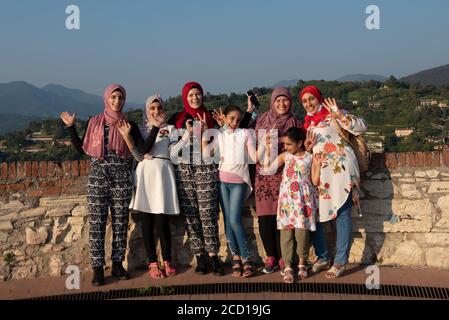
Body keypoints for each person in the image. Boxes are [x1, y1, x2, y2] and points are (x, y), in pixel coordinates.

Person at [60, 84, 149, 286]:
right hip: (97, 179)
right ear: (107, 98)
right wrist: (71, 127)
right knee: (97, 225)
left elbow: (139, 156)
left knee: (120, 224)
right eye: (114, 97)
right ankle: (98, 269)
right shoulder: (94, 122)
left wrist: (127, 138)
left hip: (121, 178)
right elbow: (81, 149)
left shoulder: (129, 125)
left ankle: (117, 264)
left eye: (121, 98)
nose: (117, 101)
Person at [300, 85, 368, 278]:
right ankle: (323, 257)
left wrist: (339, 115)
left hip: (343, 171)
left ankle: (340, 261)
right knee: (319, 217)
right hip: (322, 173)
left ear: (319, 98)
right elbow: (310, 150)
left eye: (311, 99)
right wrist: (307, 147)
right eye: (304, 101)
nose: (309, 103)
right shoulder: (308, 124)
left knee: (342, 216)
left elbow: (362, 126)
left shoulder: (333, 113)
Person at [116, 94, 180, 279]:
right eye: (152, 108)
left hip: (163, 175)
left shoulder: (170, 129)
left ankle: (167, 260)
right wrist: (154, 128)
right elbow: (141, 151)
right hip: (145, 176)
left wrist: (187, 137)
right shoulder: (140, 128)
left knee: (162, 221)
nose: (156, 111)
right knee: (147, 221)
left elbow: (174, 152)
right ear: (147, 110)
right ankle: (153, 262)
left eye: (159, 108)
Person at [167, 81, 225, 276]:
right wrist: (187, 135)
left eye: (198, 94)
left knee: (208, 213)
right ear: (185, 96)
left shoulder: (210, 117)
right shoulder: (176, 120)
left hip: (206, 169)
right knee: (191, 215)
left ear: (202, 96)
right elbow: (172, 152)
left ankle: (213, 255)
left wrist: (220, 127)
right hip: (184, 172)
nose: (194, 98)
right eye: (191, 95)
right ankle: (200, 256)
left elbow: (222, 143)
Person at [251, 87, 305, 274]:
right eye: (278, 101)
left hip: (285, 176)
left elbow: (301, 149)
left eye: (285, 100)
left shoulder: (296, 124)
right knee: (265, 217)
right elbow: (250, 145)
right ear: (272, 102)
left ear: (290, 102)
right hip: (264, 175)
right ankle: (270, 256)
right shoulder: (261, 120)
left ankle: (284, 256)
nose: (282, 104)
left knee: (282, 217)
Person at [201, 105, 257, 277]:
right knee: (227, 222)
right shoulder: (220, 135)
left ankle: (247, 258)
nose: (234, 122)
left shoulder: (245, 133)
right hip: (222, 181)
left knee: (234, 220)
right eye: (231, 118)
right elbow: (206, 155)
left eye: (237, 120)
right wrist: (204, 134)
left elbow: (254, 158)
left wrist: (267, 146)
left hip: (239, 181)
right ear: (224, 118)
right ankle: (236, 258)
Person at [262, 127, 321, 283]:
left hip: (303, 201)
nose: (286, 147)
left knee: (302, 234)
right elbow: (268, 170)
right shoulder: (285, 156)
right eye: (285, 144)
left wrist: (319, 166)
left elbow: (315, 181)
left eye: (289, 144)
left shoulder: (310, 157)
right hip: (287, 201)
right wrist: (267, 151)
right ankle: (288, 266)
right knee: (286, 234)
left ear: (300, 143)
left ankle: (302, 262)